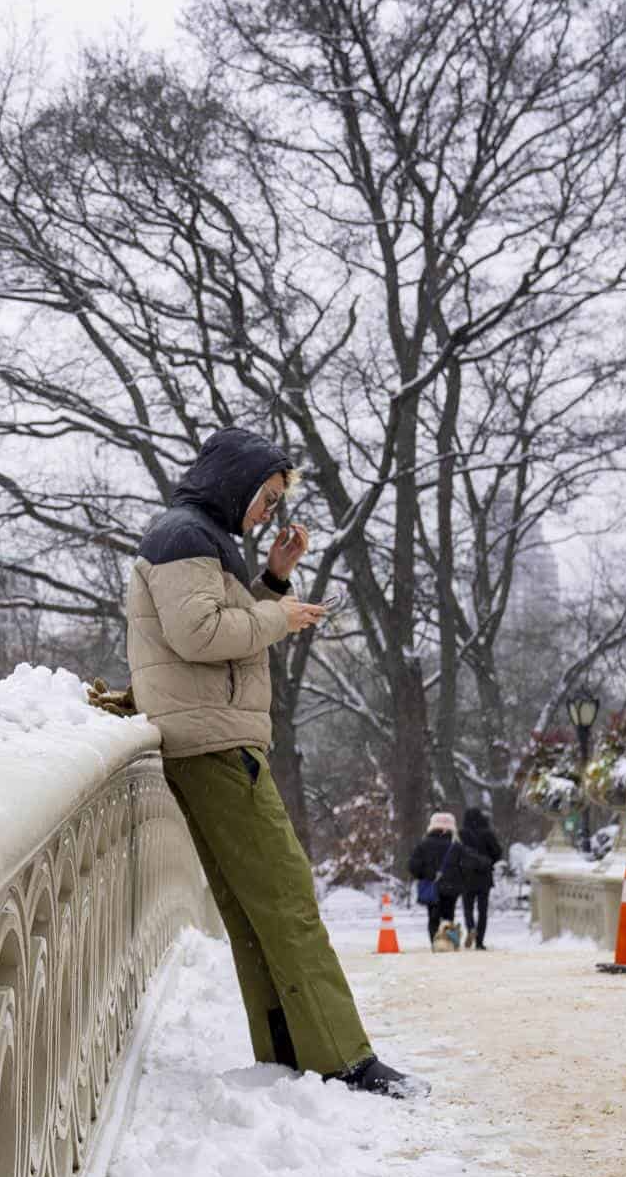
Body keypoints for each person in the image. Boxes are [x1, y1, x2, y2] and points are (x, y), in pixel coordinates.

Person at [126, 427, 426, 1099]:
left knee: (256, 907)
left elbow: (220, 621)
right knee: (288, 900)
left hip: (208, 740)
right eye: (265, 496)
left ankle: (290, 1046)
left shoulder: (195, 536)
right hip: (215, 745)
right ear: (236, 483)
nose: (268, 512)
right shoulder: (185, 537)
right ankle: (344, 1059)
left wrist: (273, 580)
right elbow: (200, 634)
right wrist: (281, 616)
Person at [408, 813, 463, 949]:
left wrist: (425, 875)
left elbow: (412, 866)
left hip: (432, 886)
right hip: (451, 887)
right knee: (448, 915)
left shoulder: (424, 845)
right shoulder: (456, 846)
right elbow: (465, 866)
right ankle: (448, 942)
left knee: (433, 916)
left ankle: (435, 942)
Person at [457, 807, 503, 949]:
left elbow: (456, 854)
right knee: (483, 910)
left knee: (468, 908)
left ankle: (471, 927)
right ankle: (480, 942)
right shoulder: (487, 833)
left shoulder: (461, 834)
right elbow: (498, 852)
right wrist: (489, 862)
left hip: (466, 876)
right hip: (484, 876)